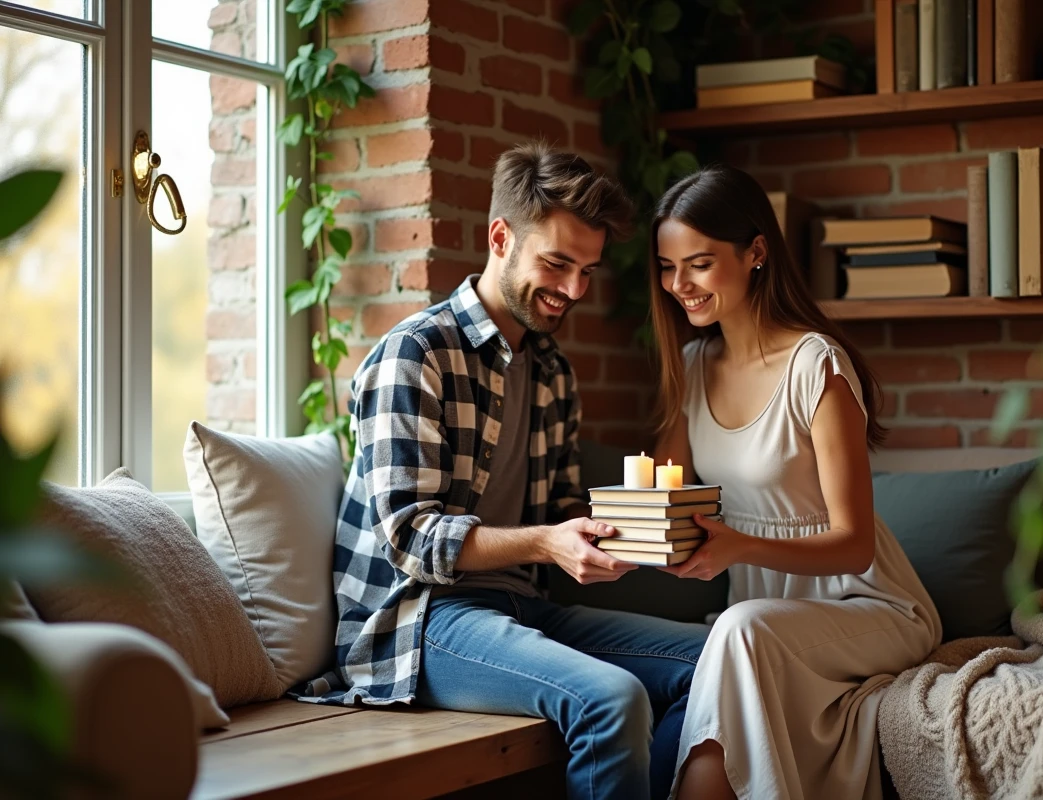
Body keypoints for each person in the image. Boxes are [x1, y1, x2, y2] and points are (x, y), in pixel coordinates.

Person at [299, 142, 711, 800]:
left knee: (719, 663)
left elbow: (564, 507)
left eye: (587, 270)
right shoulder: (415, 355)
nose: (573, 290)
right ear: (500, 237)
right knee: (612, 700)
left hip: (523, 607)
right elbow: (411, 537)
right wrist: (550, 541)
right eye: (557, 263)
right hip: (421, 620)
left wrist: (633, 531)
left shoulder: (553, 372)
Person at [648, 164, 942, 800]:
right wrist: (630, 533)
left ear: (756, 252)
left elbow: (854, 545)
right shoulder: (695, 366)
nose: (680, 285)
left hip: (866, 603)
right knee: (737, 644)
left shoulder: (817, 365)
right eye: (669, 268)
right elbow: (664, 494)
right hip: (762, 609)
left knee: (739, 631)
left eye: (698, 264)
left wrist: (739, 546)